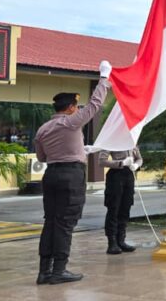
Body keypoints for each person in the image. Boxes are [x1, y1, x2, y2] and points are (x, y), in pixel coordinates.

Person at [33, 60, 112, 285]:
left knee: (50, 222)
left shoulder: (43, 129)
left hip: (51, 175)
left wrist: (77, 150)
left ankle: (44, 271)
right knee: (65, 223)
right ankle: (59, 270)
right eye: (76, 107)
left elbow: (42, 158)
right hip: (71, 176)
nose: (78, 110)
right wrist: (104, 78)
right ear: (69, 108)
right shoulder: (70, 122)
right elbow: (95, 105)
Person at [99, 145, 142, 254]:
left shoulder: (132, 142)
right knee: (114, 209)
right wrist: (121, 163)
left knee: (125, 208)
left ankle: (121, 240)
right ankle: (112, 242)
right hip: (116, 175)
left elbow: (139, 158)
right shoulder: (112, 141)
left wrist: (136, 165)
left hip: (129, 175)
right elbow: (102, 161)